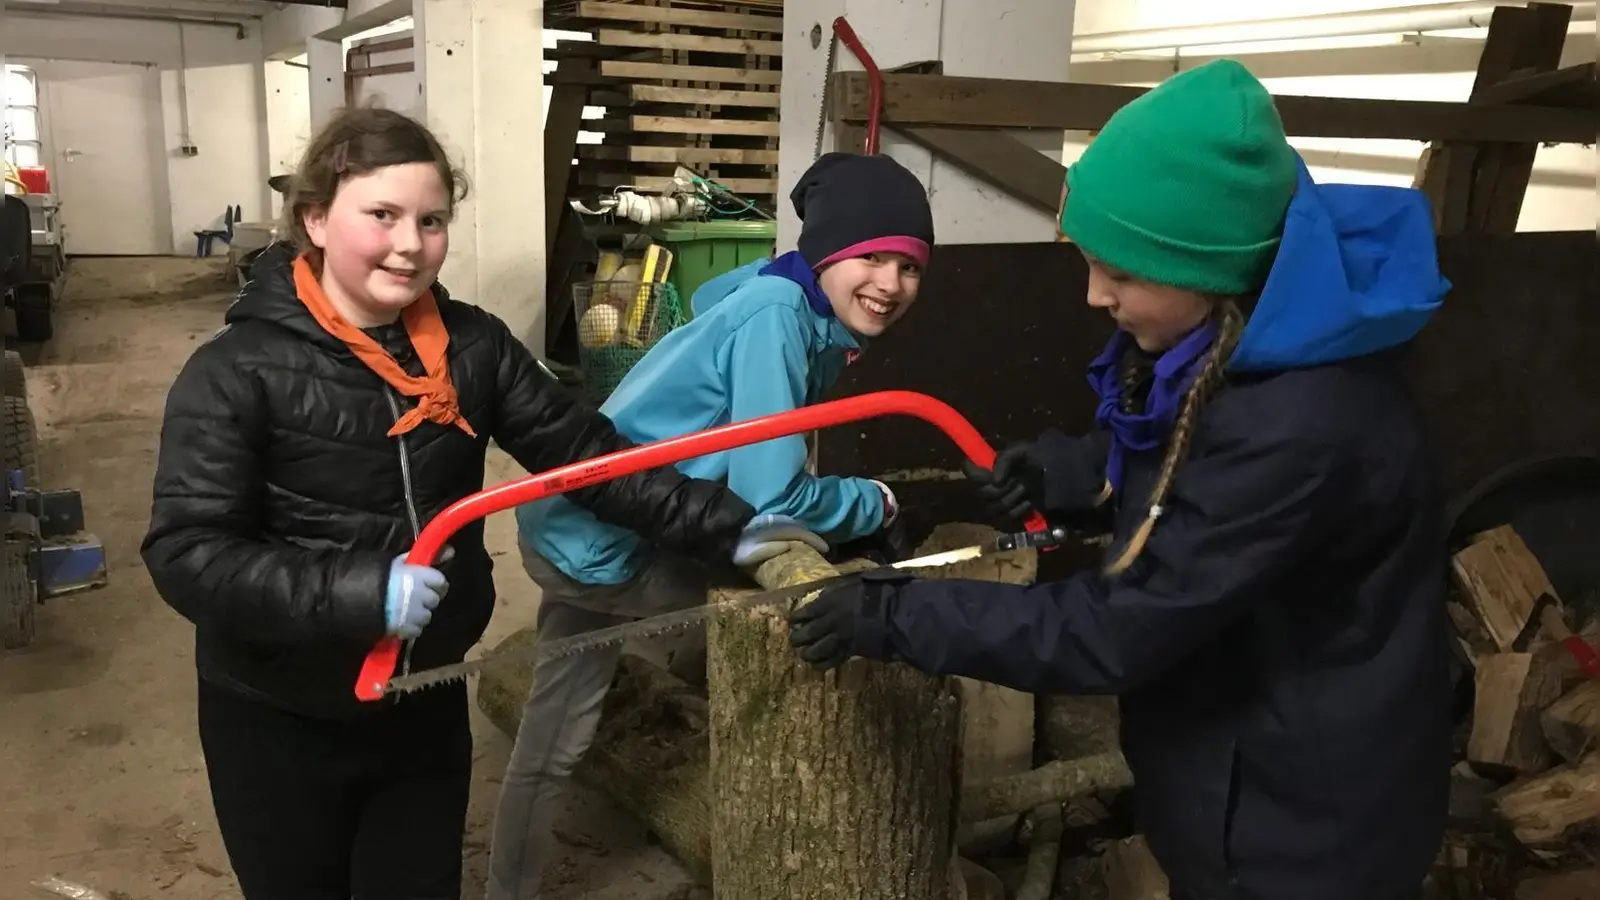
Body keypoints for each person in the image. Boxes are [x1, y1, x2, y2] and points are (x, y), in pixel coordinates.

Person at [787, 59, 1454, 900]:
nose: (1096, 294)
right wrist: (1063, 473)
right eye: (1093, 262)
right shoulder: (1241, 336)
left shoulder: (1304, 423)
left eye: (1126, 273)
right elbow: (1168, 448)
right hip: (1241, 775)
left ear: (1210, 269)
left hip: (1303, 831)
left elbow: (1118, 628)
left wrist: (896, 611)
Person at [139, 106, 793, 900]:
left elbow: (591, 459)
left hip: (424, 698)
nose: (410, 243)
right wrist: (357, 592)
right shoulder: (235, 372)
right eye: (381, 215)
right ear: (315, 217)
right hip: (280, 714)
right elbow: (187, 553)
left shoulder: (473, 347)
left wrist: (732, 530)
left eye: (432, 219)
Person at [489, 151, 935, 900]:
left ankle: (508, 891)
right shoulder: (777, 320)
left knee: (554, 733)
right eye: (869, 257)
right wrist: (877, 503)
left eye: (909, 266)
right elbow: (776, 499)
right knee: (773, 629)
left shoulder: (786, 299)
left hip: (574, 527)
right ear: (825, 252)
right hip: (611, 546)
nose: (888, 284)